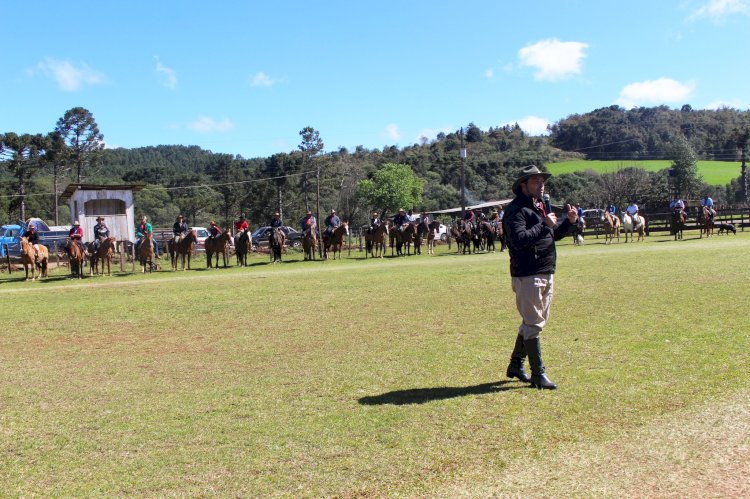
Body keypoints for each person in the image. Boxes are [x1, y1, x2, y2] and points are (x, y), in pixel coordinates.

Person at [503, 165, 577, 390]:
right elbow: (518, 239)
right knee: (534, 323)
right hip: (527, 273)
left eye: (542, 181)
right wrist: (543, 225)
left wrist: (568, 223)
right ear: (523, 185)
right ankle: (538, 374)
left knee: (535, 322)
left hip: (545, 271)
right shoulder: (516, 210)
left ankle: (516, 365)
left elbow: (552, 235)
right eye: (535, 181)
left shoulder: (540, 207)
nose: (541, 184)